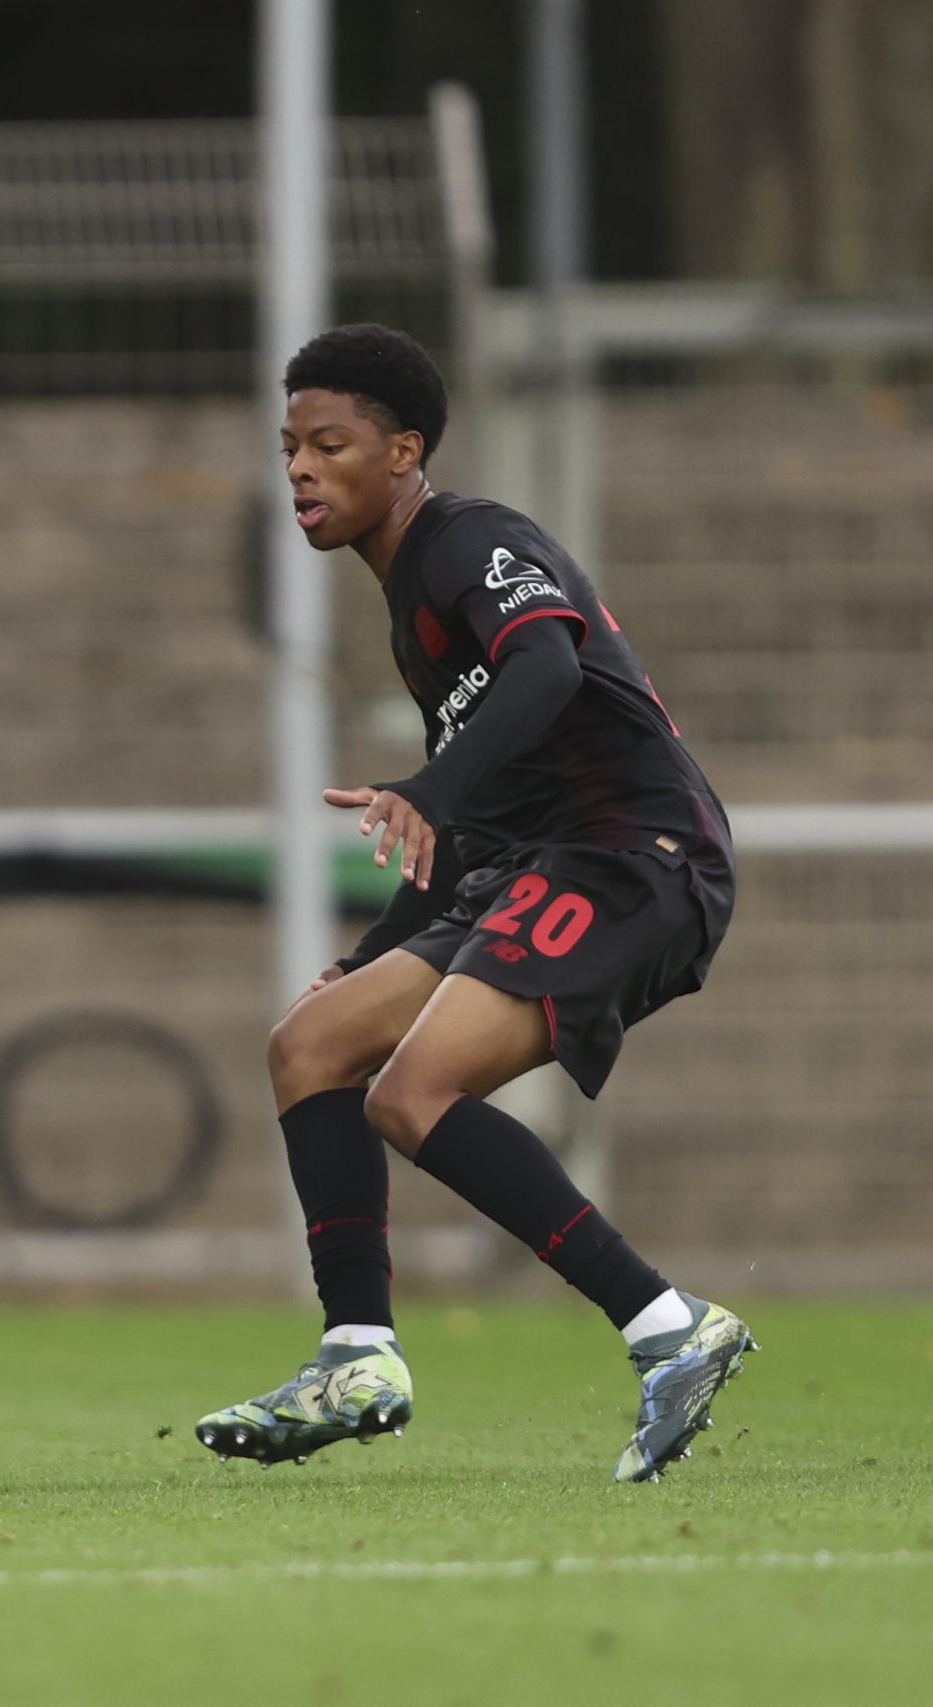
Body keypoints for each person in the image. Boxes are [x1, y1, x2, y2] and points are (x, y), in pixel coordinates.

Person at [194, 324, 753, 1484]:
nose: (299, 468)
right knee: (311, 1044)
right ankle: (356, 1355)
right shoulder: (414, 605)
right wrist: (369, 956)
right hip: (543, 862)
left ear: (403, 452)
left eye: (328, 444)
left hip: (637, 855)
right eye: (288, 446)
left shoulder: (469, 538)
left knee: (411, 1095)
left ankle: (666, 1326)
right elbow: (475, 832)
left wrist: (427, 788)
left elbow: (547, 666)